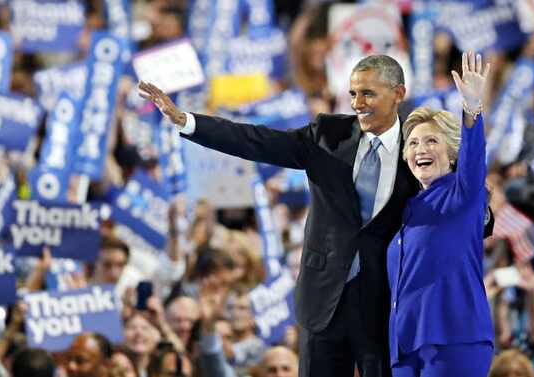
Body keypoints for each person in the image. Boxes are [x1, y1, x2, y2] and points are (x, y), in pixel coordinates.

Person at [139, 53, 494, 377]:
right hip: (323, 301)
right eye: (353, 94)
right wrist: (187, 122)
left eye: (368, 94)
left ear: (398, 93)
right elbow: (256, 140)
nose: (358, 103)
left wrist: (482, 216)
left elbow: (463, 193)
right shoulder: (328, 134)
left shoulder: (417, 147)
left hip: (384, 309)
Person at [387, 51, 493, 377]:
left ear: (451, 151)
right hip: (405, 346)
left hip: (455, 339)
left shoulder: (462, 195)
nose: (421, 149)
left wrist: (472, 110)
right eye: (414, 143)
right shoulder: (406, 210)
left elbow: (474, 162)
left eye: (431, 141)